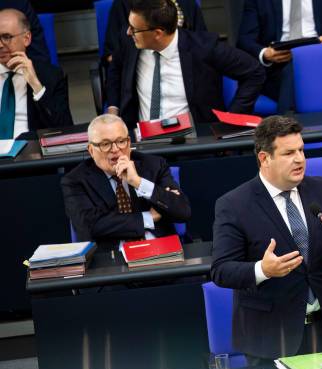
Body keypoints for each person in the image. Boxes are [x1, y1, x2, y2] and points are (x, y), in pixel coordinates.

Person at [211, 115, 322, 362]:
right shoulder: (233, 205)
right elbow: (221, 270)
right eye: (289, 153)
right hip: (271, 338)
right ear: (264, 158)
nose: (300, 159)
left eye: (301, 150)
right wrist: (263, 269)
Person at [106, 0, 265, 131]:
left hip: (192, 139)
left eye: (134, 29)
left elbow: (254, 72)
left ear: (158, 33)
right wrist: (114, 109)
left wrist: (233, 118)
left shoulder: (204, 47)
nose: (128, 32)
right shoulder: (129, 42)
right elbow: (115, 68)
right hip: (142, 139)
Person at [61, 114, 191, 251]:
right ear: (91, 150)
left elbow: (183, 211)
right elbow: (89, 227)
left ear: (129, 143)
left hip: (160, 251)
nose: (115, 149)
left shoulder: (154, 165)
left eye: (121, 141)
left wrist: (139, 183)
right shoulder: (75, 181)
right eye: (105, 144)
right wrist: (148, 218)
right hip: (111, 260)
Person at [237, 0, 322, 113]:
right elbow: (244, 40)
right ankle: (288, 129)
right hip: (278, 67)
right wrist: (266, 53)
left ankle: (284, 130)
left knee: (298, 69)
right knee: (294, 68)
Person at [0, 8, 72, 139]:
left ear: (26, 38)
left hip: (30, 152)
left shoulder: (50, 76)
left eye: (6, 37)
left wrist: (36, 86)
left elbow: (64, 129)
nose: (0, 45)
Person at [103, 0, 207, 63]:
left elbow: (203, 44)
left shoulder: (187, 3)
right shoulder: (123, 4)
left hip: (184, 66)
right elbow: (111, 56)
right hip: (139, 67)